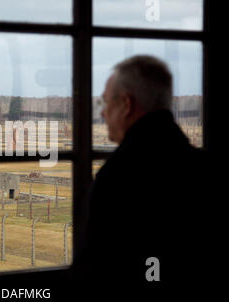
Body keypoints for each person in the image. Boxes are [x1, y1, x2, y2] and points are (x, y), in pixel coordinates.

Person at [81, 55, 214, 287]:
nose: (102, 113)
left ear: (126, 104)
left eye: (105, 103)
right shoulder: (203, 167)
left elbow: (97, 270)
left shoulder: (117, 178)